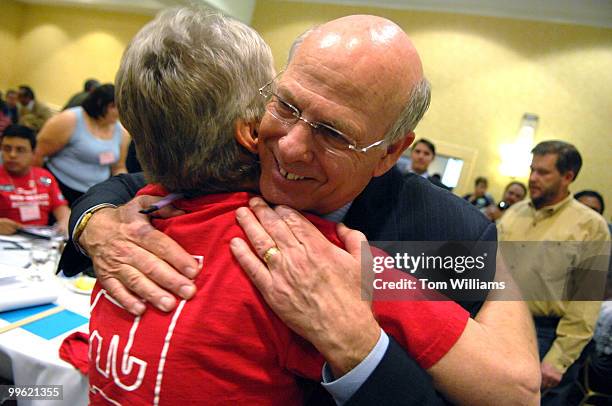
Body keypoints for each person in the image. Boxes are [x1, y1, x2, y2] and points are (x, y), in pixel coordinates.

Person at [60, 13, 540, 405]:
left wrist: (359, 349)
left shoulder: (446, 233)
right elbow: (133, 184)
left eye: (334, 133)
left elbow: (517, 390)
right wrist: (94, 224)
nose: (288, 149)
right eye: (286, 106)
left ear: (390, 152)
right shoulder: (245, 160)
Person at [498, 140, 610, 405]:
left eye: (543, 172)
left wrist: (558, 360)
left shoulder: (590, 226)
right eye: (532, 169)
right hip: (497, 322)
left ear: (568, 177)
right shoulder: (514, 214)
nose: (533, 178)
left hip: (545, 336)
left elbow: (586, 302)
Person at [32, 84, 130, 204]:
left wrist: (123, 190)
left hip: (92, 193)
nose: (120, 112)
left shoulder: (122, 132)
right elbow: (39, 153)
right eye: (114, 107)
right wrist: (36, 188)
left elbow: (118, 167)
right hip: (60, 187)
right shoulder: (69, 120)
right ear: (100, 104)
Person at [0, 124, 69, 235]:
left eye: (20, 150)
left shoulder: (45, 177)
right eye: (7, 149)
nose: (12, 155)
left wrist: (65, 222)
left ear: (33, 153)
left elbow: (61, 208)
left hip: (41, 239)